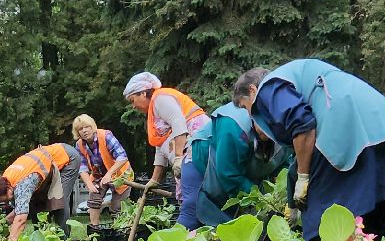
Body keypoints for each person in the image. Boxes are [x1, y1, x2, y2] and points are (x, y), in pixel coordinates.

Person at [237, 59, 385, 241]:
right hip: (377, 114)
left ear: (252, 90)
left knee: (321, 217)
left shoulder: (268, 87)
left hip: (342, 116)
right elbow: (301, 152)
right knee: (379, 205)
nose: (249, 115)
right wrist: (292, 202)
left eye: (244, 106)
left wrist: (303, 178)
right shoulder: (298, 77)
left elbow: (302, 125)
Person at [182, 69, 288, 229]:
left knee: (234, 226)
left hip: (237, 174)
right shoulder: (234, 123)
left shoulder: (287, 126)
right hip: (201, 163)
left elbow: (286, 168)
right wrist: (260, 198)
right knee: (192, 213)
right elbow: (228, 174)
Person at [122, 72, 210, 230]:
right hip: (188, 156)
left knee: (192, 201)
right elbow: (160, 147)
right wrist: (154, 180)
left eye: (132, 100)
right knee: (191, 200)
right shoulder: (153, 114)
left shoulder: (160, 99)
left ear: (143, 92)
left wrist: (178, 157)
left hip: (198, 147)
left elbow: (178, 121)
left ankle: (181, 236)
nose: (133, 106)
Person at [0, 142, 81, 241]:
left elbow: (20, 219)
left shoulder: (23, 185)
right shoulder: (7, 179)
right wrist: (0, 225)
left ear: (8, 188)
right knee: (34, 203)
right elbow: (19, 210)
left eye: (7, 198)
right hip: (49, 163)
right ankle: (40, 240)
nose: (7, 202)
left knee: (59, 201)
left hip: (67, 158)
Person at [71, 115, 133, 228]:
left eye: (87, 127)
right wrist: (90, 185)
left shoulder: (105, 136)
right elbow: (82, 167)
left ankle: (121, 230)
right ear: (77, 132)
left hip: (120, 175)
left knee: (117, 207)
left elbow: (122, 157)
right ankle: (94, 229)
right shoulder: (79, 145)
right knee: (94, 198)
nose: (84, 131)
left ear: (92, 127)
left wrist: (109, 174)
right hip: (98, 175)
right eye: (80, 129)